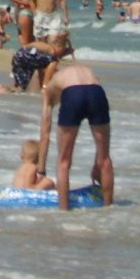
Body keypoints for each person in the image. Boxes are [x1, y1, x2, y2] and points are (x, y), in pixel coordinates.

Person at [37, 61, 114, 210]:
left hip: (73, 95)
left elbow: (45, 132)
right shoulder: (87, 72)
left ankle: (64, 210)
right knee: (105, 160)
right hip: (97, 93)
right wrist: (96, 164)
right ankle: (109, 209)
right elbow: (104, 111)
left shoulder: (51, 86)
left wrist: (41, 170)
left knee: (63, 162)